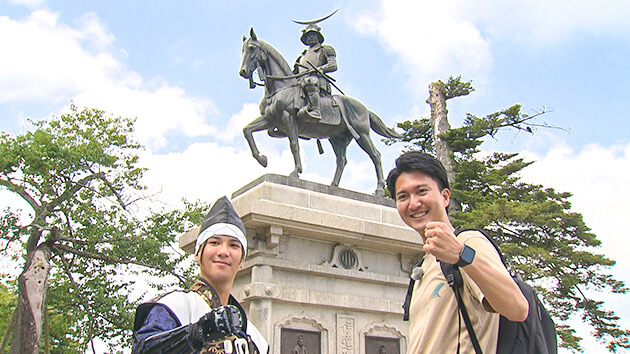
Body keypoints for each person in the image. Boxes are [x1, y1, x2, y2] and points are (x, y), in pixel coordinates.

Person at [386, 151, 528, 353]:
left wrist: (463, 255)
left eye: (422, 191)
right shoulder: (426, 262)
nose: (414, 203)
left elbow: (517, 308)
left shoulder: (468, 243)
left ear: (445, 197)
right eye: (403, 196)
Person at [132, 196, 269, 353]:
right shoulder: (174, 308)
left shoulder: (254, 338)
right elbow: (144, 349)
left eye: (233, 245)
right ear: (198, 254)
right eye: (214, 243)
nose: (223, 252)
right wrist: (196, 334)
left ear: (242, 260)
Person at [293, 23, 338, 120]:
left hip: (316, 81)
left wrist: (319, 69)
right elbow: (294, 74)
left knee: (310, 81)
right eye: (308, 36)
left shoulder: (325, 49)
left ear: (318, 36)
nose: (311, 37)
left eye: (313, 35)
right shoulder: (301, 57)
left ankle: (316, 110)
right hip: (301, 83)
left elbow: (333, 65)